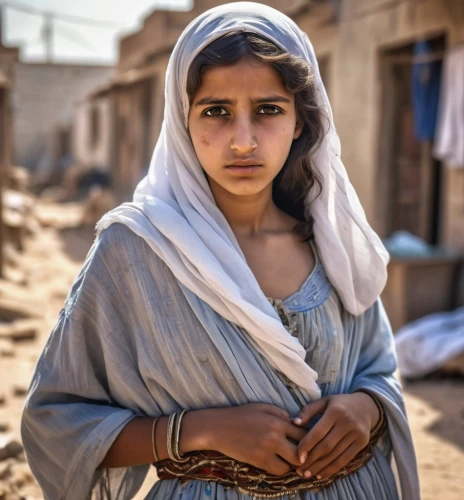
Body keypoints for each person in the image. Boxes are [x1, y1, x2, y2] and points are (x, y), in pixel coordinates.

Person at [20, 3, 420, 500]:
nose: (243, 141)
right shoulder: (138, 251)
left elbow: (378, 366)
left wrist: (368, 407)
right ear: (182, 121)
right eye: (216, 112)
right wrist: (197, 431)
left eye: (269, 110)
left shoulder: (330, 241)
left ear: (301, 120)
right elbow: (56, 421)